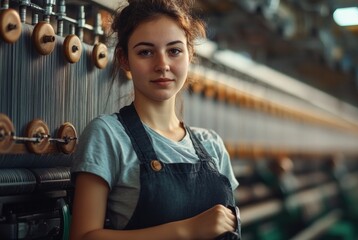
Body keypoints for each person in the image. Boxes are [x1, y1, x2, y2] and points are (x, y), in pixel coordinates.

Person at [70, 0, 239, 239]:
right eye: (145, 52)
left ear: (190, 55)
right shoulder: (107, 135)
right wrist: (187, 230)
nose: (162, 65)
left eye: (174, 51)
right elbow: (83, 236)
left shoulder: (213, 146)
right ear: (124, 59)